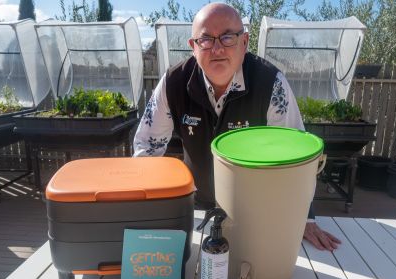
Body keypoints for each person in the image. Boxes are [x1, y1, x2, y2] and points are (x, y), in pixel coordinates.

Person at [133, 2, 340, 251]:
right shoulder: (173, 83)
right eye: (206, 39)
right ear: (193, 47)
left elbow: (296, 158)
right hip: (196, 209)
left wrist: (303, 218)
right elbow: (147, 146)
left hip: (256, 212)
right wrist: (142, 210)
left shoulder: (271, 83)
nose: (218, 48)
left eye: (228, 37)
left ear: (244, 42)